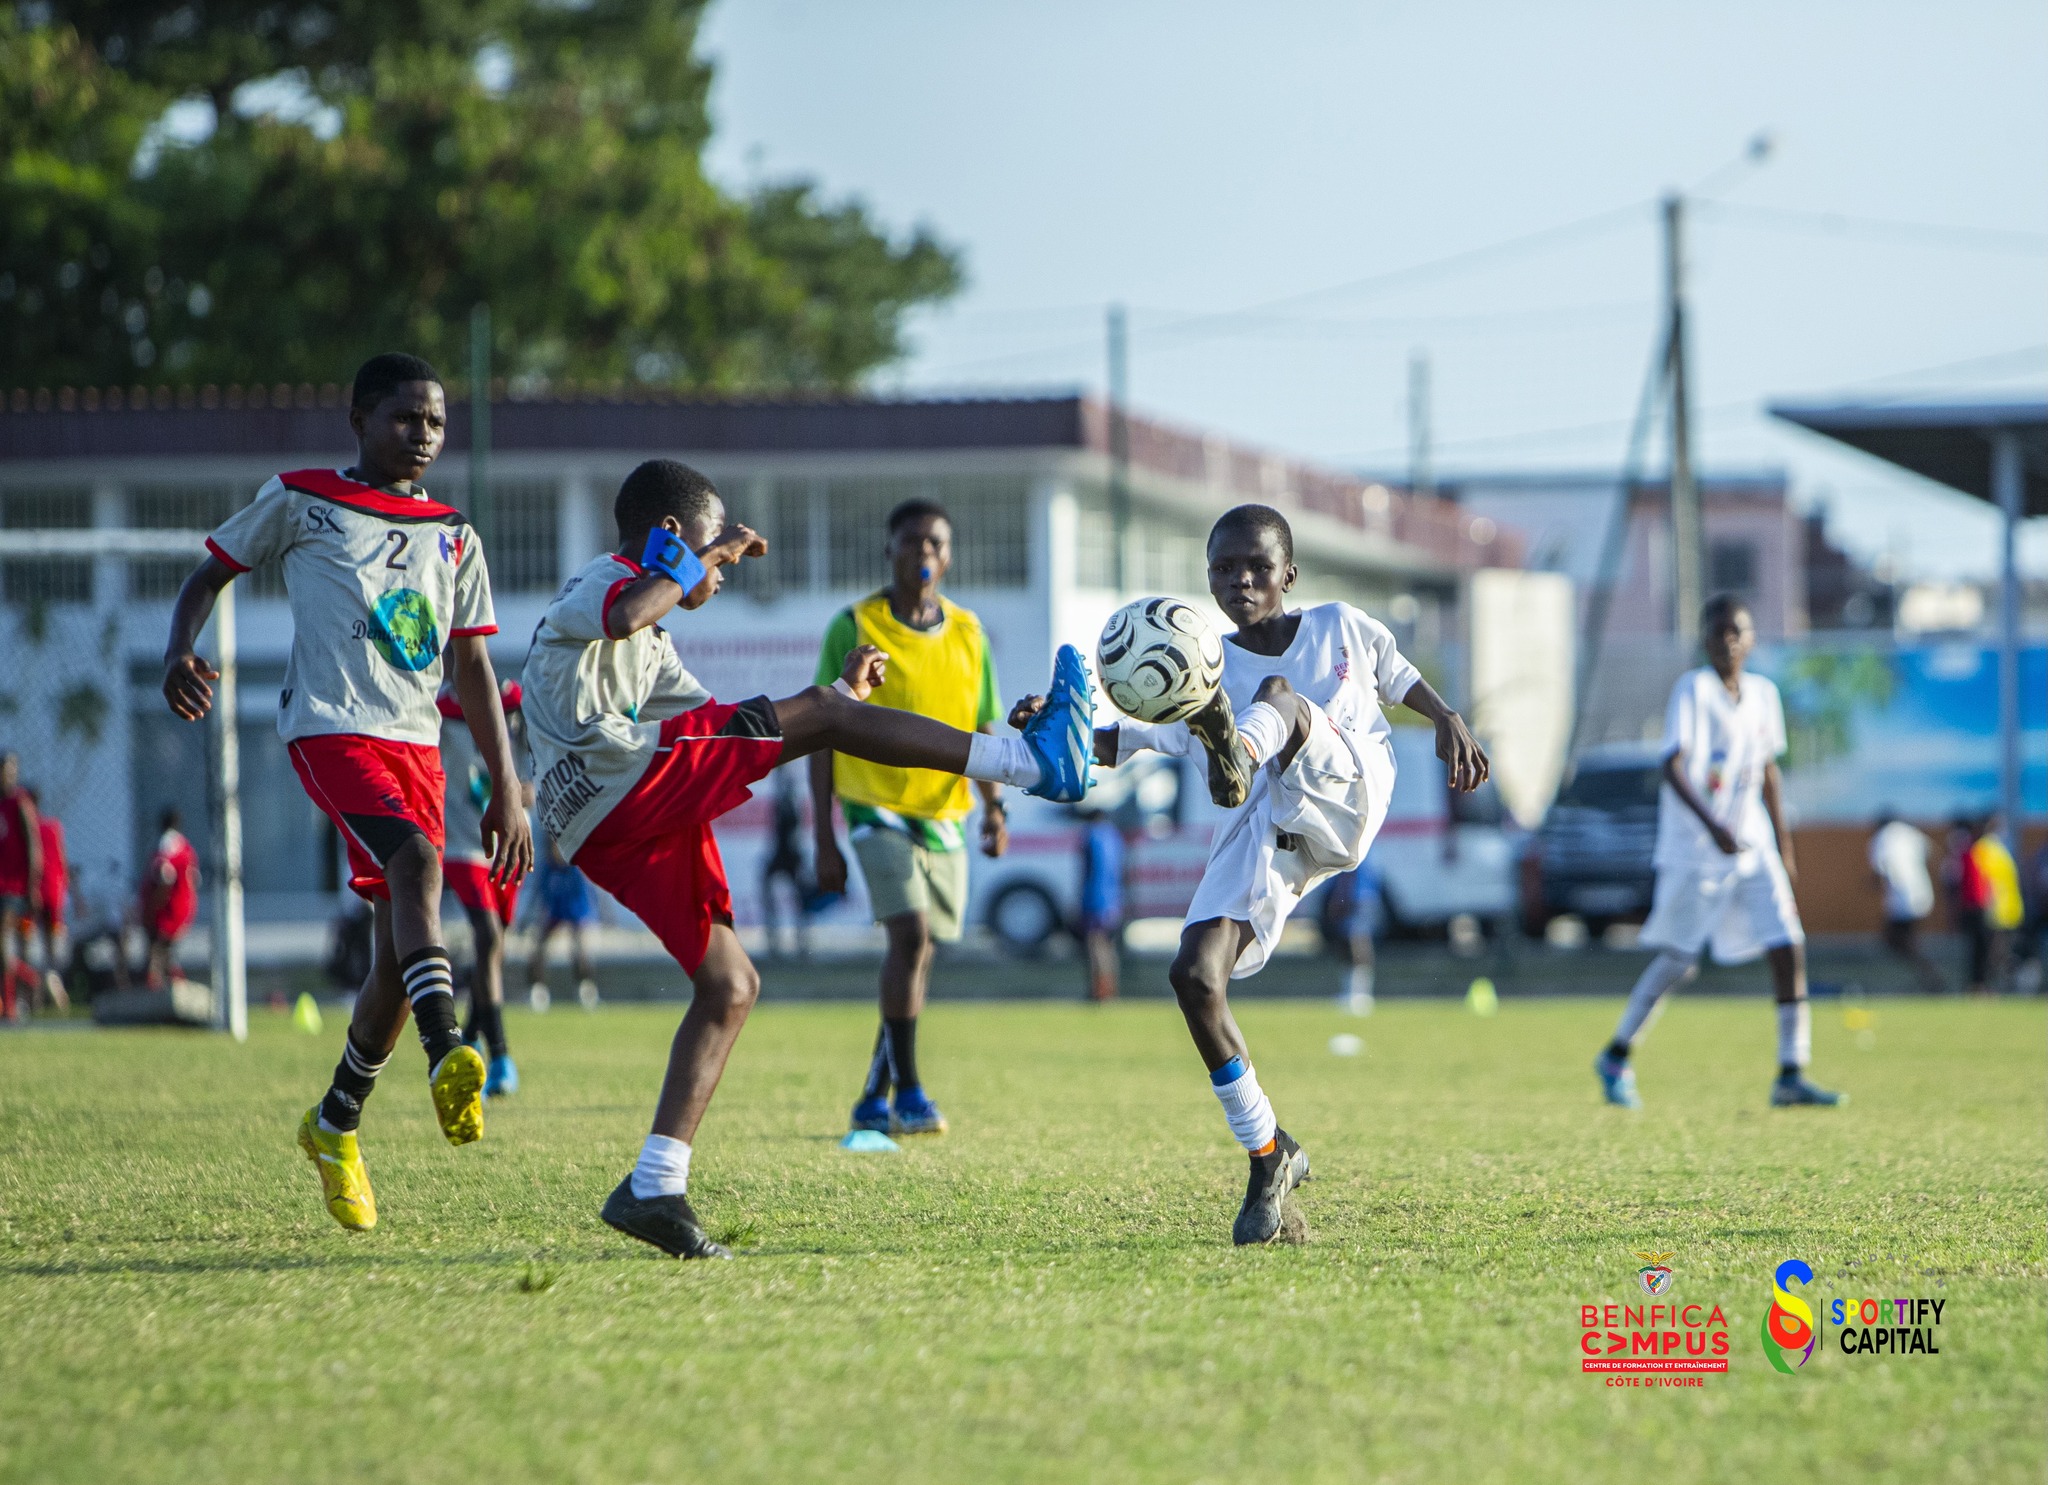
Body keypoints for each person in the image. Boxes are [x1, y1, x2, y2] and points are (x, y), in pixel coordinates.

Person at [520, 458, 1087, 1260]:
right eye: (712, 543)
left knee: (731, 983)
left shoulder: (654, 636)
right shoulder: (608, 580)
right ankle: (1027, 763)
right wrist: (708, 560)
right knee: (819, 713)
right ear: (671, 539)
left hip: (618, 819)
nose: (724, 566)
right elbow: (622, 615)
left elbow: (725, 721)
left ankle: (653, 1184)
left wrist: (838, 701)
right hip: (621, 786)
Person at [1016, 503, 1487, 1246]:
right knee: (1194, 976)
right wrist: (1059, 724)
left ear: (1288, 575)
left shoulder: (1339, 625)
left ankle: (1237, 748)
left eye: (1257, 567)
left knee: (1280, 701)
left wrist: (1448, 717)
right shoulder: (1206, 667)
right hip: (1265, 818)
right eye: (1224, 568)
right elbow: (1135, 739)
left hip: (1347, 785)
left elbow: (1398, 675)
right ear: (1208, 579)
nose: (1240, 579)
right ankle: (1270, 1154)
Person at [163, 352, 532, 1234]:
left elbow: (473, 667)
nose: (424, 435)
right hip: (329, 726)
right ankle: (451, 1048)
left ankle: (334, 1124)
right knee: (416, 865)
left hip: (417, 746)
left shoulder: (455, 534)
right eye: (406, 418)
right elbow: (209, 572)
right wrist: (180, 647)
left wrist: (507, 786)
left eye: (437, 423)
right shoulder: (301, 497)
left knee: (392, 967)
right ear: (360, 420)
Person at [1594, 594, 1843, 1112]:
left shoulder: (1764, 695)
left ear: (1752, 640)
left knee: (1788, 945)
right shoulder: (1695, 689)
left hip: (1753, 847)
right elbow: (1673, 764)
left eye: (1738, 631)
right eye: (1719, 632)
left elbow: (1768, 771)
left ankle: (1792, 1072)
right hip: (1696, 852)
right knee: (1679, 962)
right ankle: (1617, 1054)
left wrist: (1784, 844)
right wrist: (1713, 827)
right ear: (1705, 640)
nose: (1729, 641)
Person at [810, 497, 1008, 1137]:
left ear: (947, 558)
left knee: (922, 952)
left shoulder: (970, 632)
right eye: (912, 542)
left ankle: (873, 1093)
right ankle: (912, 1092)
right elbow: (821, 728)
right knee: (911, 935)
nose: (923, 553)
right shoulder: (856, 624)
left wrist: (994, 808)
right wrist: (823, 838)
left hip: (944, 812)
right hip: (874, 804)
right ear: (890, 549)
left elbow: (982, 726)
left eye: (935, 544)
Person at [439, 678, 528, 1095]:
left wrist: (525, 791)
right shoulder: (436, 709)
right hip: (461, 845)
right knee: (488, 937)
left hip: (506, 845)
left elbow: (533, 768)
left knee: (492, 951)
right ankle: (503, 1058)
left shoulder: (512, 703)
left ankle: (470, 1036)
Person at [1868, 811, 1945, 993]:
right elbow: (1932, 851)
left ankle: (1929, 974)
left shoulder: (1881, 838)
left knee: (1894, 939)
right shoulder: (1908, 832)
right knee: (1905, 939)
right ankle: (1927, 976)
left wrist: (1875, 887)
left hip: (1901, 898)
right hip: (1923, 893)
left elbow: (1880, 871)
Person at [525, 841, 600, 1011]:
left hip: (574, 912)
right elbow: (543, 895)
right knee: (539, 948)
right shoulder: (548, 869)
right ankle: (538, 989)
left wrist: (578, 919)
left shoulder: (575, 870)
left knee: (579, 949)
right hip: (555, 913)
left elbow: (582, 898)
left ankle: (586, 989)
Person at [0, 753, 43, 1020]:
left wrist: (33, 886)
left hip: (14, 888)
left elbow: (33, 847)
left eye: (12, 770)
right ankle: (29, 979)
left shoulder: (20, 803)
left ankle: (11, 1006)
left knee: (5, 943)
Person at [138, 808, 200, 990]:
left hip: (169, 906)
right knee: (167, 948)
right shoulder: (186, 846)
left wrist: (155, 902)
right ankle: (171, 983)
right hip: (185, 903)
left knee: (156, 944)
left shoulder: (167, 843)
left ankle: (156, 984)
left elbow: (165, 874)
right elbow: (195, 878)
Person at [1963, 814, 2023, 994]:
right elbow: (1984, 880)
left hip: (2003, 910)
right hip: (1995, 910)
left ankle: (1992, 985)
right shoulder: (1988, 848)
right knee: (1991, 951)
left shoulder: (1994, 848)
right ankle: (1984, 986)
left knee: (1995, 952)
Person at [759, 764, 813, 960]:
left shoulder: (793, 800)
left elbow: (795, 832)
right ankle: (774, 940)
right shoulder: (780, 799)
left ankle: (802, 941)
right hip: (780, 853)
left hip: (793, 855)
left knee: (800, 900)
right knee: (768, 891)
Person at [1076, 807, 1125, 1002]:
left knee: (1095, 945)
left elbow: (1088, 872)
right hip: (1114, 898)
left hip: (1095, 897)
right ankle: (1110, 989)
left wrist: (1081, 900)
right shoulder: (1114, 836)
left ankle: (1099, 991)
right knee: (1108, 946)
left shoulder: (1089, 835)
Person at [29, 789, 70, 1011]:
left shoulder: (28, 829)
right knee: (50, 941)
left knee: (25, 938)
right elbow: (63, 860)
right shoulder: (53, 827)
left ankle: (36, 987)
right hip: (55, 895)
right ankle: (51, 977)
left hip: (33, 895)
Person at [1338, 858, 1384, 1015]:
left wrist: (1344, 894)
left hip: (1359, 895)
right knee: (1351, 942)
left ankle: (1359, 993)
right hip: (1362, 894)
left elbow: (1353, 866)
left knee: (1358, 941)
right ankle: (1354, 992)